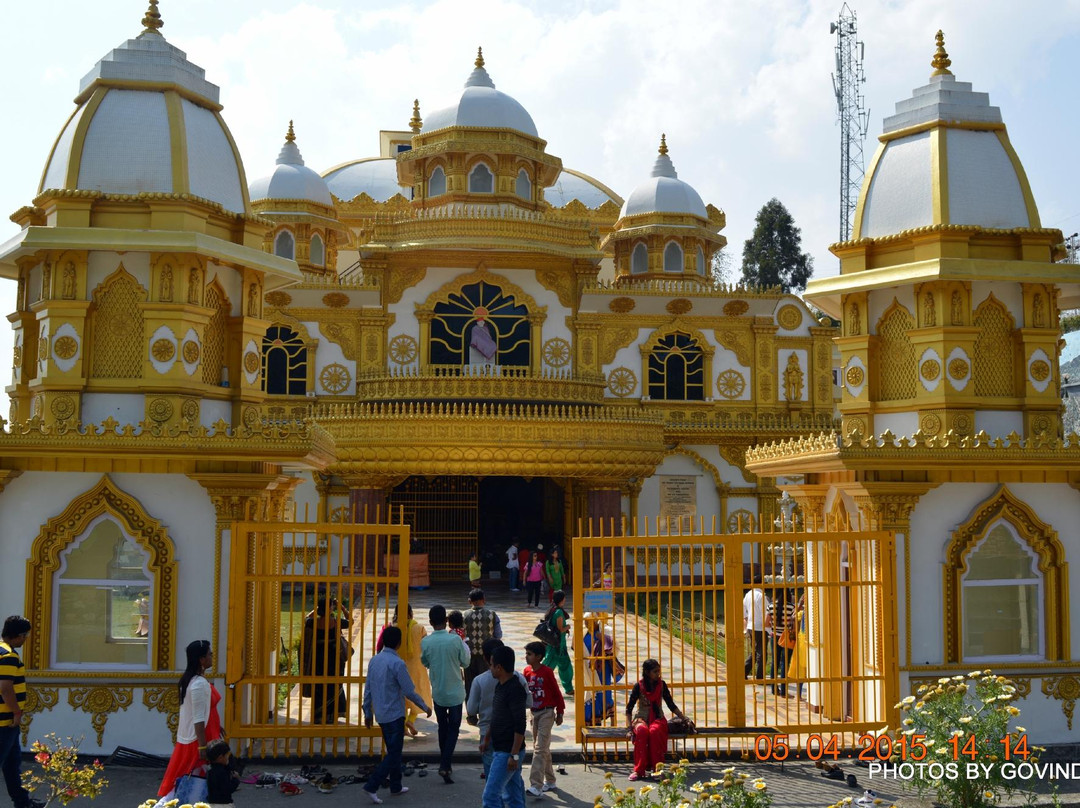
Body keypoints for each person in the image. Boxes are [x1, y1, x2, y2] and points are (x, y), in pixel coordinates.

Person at [362, 626, 432, 804]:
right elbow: (409, 691)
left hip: (381, 713)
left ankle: (396, 785)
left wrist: (367, 712)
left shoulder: (375, 660)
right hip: (394, 714)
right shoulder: (397, 663)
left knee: (394, 751)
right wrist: (424, 706)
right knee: (394, 753)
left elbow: (368, 689)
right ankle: (372, 785)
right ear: (399, 643)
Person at [159, 640, 222, 796]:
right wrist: (202, 747)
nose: (212, 656)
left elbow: (203, 711)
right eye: (209, 654)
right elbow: (198, 717)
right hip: (200, 739)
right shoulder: (198, 684)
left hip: (204, 735)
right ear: (201, 659)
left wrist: (218, 727)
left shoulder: (192, 680)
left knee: (195, 782)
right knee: (193, 782)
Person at [420, 605, 470, 785]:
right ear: (446, 621)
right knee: (453, 729)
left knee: (443, 727)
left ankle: (445, 763)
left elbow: (425, 661)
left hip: (439, 691)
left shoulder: (426, 642)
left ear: (431, 622)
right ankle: (445, 764)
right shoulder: (455, 640)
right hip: (455, 692)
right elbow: (465, 662)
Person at [466, 639, 527, 782]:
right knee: (513, 781)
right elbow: (529, 703)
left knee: (493, 783)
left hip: (499, 737)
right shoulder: (518, 679)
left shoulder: (481, 681)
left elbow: (471, 709)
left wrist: (514, 755)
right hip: (505, 735)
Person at [479, 646, 527, 808]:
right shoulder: (500, 686)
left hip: (508, 752)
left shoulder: (515, 689)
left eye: (491, 665)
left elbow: (520, 724)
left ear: (499, 667)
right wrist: (487, 738)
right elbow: (496, 716)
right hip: (501, 749)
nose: (490, 668)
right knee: (513, 796)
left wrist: (514, 755)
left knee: (490, 796)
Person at [0, 616, 39, 808]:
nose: (25, 639)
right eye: (25, 636)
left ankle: (22, 802)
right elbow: (5, 688)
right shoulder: (9, 656)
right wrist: (16, 712)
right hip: (5, 722)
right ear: (18, 635)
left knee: (12, 764)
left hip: (7, 723)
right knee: (9, 763)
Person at [625, 659, 684, 781]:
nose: (658, 674)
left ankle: (657, 769)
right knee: (642, 731)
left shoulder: (661, 685)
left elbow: (671, 704)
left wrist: (684, 718)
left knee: (654, 731)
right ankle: (639, 770)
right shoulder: (639, 686)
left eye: (659, 671)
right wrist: (629, 729)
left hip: (658, 718)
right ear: (647, 672)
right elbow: (628, 709)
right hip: (641, 718)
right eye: (655, 671)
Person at [379, 605, 430, 737]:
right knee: (417, 693)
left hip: (397, 666)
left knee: (401, 697)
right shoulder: (419, 628)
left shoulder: (391, 627)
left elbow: (381, 646)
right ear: (411, 613)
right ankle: (411, 720)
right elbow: (426, 647)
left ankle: (403, 726)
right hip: (416, 666)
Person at [522, 642, 565, 797]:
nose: (526, 657)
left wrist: (560, 712)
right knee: (541, 747)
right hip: (534, 714)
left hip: (547, 712)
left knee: (539, 748)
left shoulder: (547, 672)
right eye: (526, 654)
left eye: (529, 654)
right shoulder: (527, 671)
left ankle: (536, 785)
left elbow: (556, 692)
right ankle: (550, 780)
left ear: (539, 657)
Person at [301, 596, 351, 723]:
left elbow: (306, 618)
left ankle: (319, 715)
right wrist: (341, 607)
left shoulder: (313, 622)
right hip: (334, 658)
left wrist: (317, 609)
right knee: (334, 684)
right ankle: (333, 713)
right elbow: (350, 621)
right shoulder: (336, 621)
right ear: (329, 609)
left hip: (318, 658)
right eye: (332, 606)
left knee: (319, 684)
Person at [582, 613, 624, 725]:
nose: (585, 624)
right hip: (588, 669)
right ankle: (592, 720)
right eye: (585, 621)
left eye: (588, 621)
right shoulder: (584, 634)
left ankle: (612, 719)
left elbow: (613, 649)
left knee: (604, 694)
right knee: (590, 693)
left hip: (603, 670)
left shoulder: (604, 632)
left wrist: (602, 638)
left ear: (595, 621)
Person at [462, 589, 502, 696]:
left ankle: (470, 705)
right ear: (484, 599)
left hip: (469, 656)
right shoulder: (492, 615)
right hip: (487, 657)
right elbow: (498, 635)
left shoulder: (464, 615)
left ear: (469, 601)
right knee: (486, 684)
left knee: (469, 685)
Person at [541, 590, 573, 695]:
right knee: (549, 666)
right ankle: (539, 684)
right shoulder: (558, 612)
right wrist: (567, 627)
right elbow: (560, 629)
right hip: (557, 646)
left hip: (557, 645)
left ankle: (569, 689)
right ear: (562, 600)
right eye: (564, 598)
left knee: (564, 666)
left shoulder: (552, 609)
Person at [769, 586, 797, 697]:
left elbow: (766, 623)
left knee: (774, 662)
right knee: (785, 663)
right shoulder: (791, 607)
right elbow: (794, 624)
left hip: (775, 636)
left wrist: (773, 626)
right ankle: (784, 691)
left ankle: (774, 688)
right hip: (787, 637)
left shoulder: (771, 606)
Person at [742, 583, 770, 682]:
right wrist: (769, 629)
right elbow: (766, 613)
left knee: (755, 651)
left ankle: (743, 672)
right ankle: (760, 677)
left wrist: (747, 620)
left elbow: (743, 609)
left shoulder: (748, 594)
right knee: (761, 653)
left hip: (751, 626)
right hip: (760, 628)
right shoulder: (761, 596)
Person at [205, 739, 239, 808]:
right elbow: (228, 789)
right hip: (224, 804)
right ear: (220, 758)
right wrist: (236, 780)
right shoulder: (221, 772)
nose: (228, 758)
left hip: (211, 803)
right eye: (226, 755)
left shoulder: (209, 769)